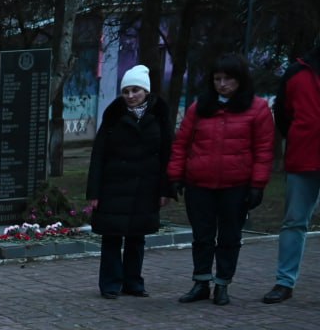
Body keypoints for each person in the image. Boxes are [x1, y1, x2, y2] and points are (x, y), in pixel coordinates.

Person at [168, 53, 275, 306]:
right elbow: (181, 144)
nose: (222, 84)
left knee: (229, 237)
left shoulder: (257, 108)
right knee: (202, 236)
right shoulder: (199, 107)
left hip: (236, 185)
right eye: (217, 79)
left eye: (228, 79)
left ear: (240, 80)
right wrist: (175, 175)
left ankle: (223, 283)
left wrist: (257, 185)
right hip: (199, 183)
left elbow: (263, 150)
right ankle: (201, 282)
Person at [86, 64, 174, 299]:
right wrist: (94, 192)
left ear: (146, 91)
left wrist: (166, 189)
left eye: (136, 90)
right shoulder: (114, 115)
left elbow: (168, 153)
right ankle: (110, 283)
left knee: (137, 236)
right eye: (126, 91)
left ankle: (133, 282)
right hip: (113, 185)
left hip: (145, 186)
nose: (130, 96)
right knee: (112, 236)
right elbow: (98, 155)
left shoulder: (159, 116)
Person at [263, 41, 320, 304]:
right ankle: (284, 282)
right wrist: (298, 136)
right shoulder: (297, 72)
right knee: (294, 221)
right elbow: (283, 112)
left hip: (303, 153)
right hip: (303, 157)